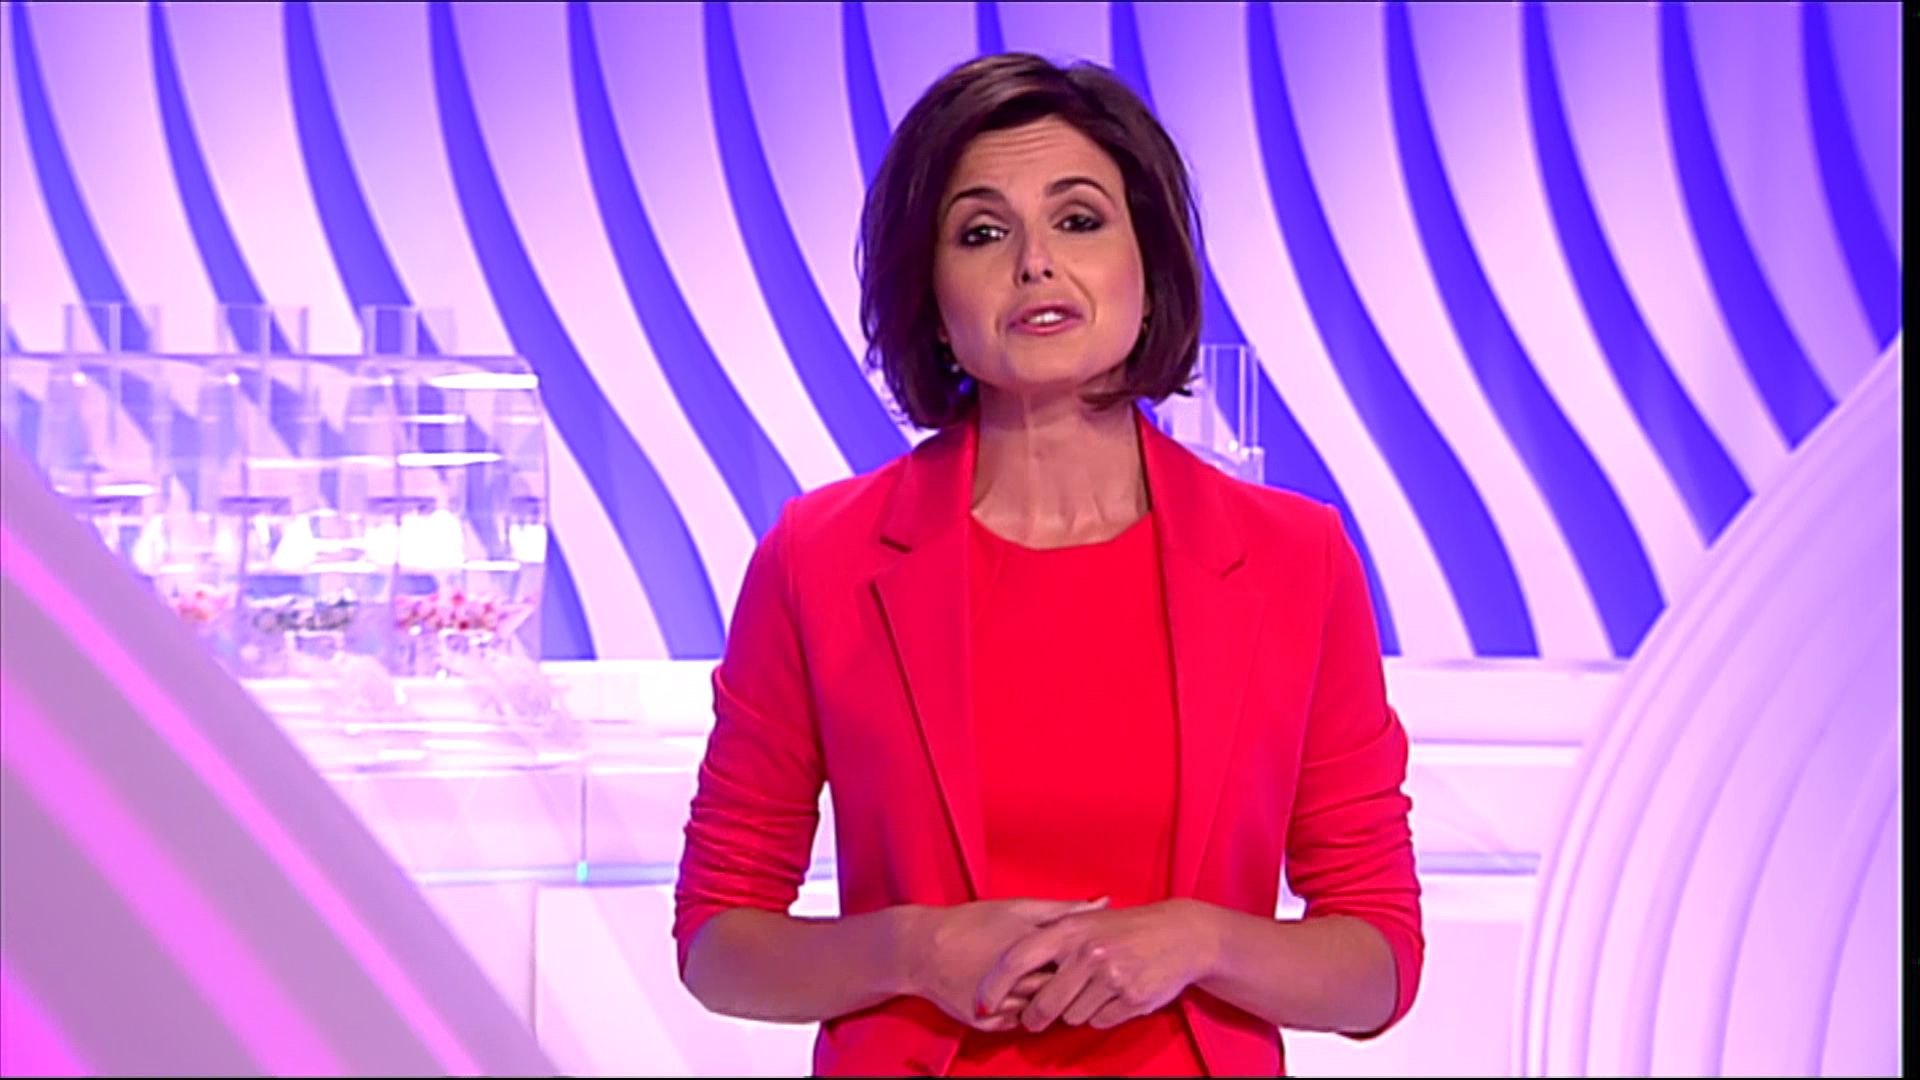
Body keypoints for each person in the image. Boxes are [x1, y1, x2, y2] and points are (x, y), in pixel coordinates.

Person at [673, 52, 1422, 1077]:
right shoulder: (819, 559)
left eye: (1078, 220)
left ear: (1148, 268)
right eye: (983, 233)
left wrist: (1203, 941)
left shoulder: (1296, 558)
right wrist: (914, 951)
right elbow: (718, 942)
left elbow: (1377, 960)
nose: (1035, 263)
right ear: (931, 296)